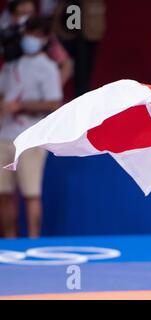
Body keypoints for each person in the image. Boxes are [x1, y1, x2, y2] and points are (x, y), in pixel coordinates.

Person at [0, 17, 63, 238]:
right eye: (29, 33)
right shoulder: (10, 65)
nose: (31, 39)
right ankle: (9, 242)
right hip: (4, 136)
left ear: (45, 39)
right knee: (4, 194)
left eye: (37, 35)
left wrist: (21, 106)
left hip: (30, 138)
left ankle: (34, 241)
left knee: (31, 194)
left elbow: (54, 103)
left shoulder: (48, 67)